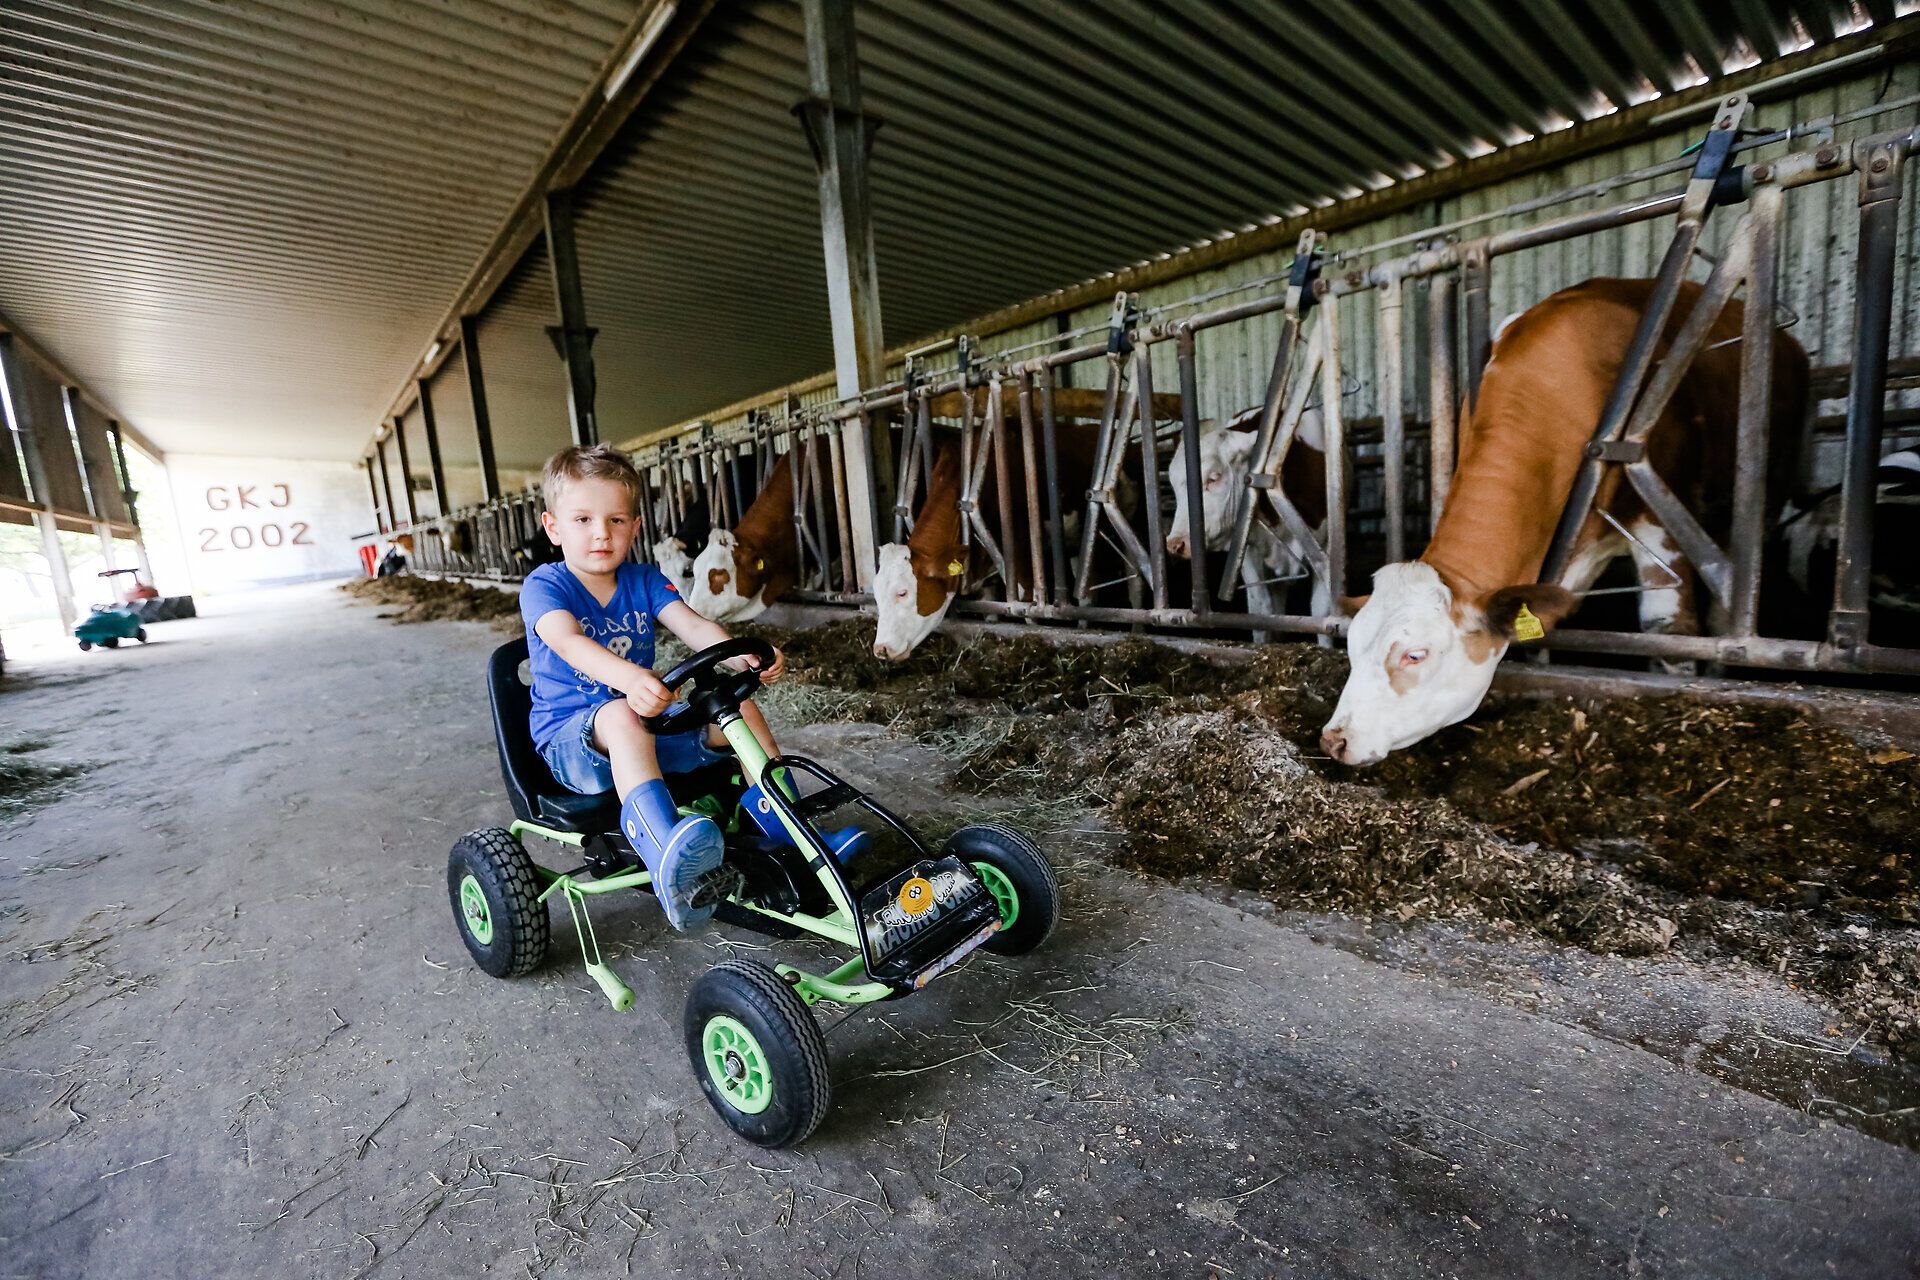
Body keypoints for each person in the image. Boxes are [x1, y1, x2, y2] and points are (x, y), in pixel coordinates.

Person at [521, 444, 825, 930]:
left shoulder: (644, 579)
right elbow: (568, 641)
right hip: (571, 744)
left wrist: (740, 649)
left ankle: (786, 824)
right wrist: (630, 678)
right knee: (621, 715)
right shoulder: (545, 586)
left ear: (635, 527)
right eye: (582, 520)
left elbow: (692, 623)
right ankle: (665, 852)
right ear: (553, 526)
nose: (601, 534)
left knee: (738, 709)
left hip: (648, 725)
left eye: (617, 520)